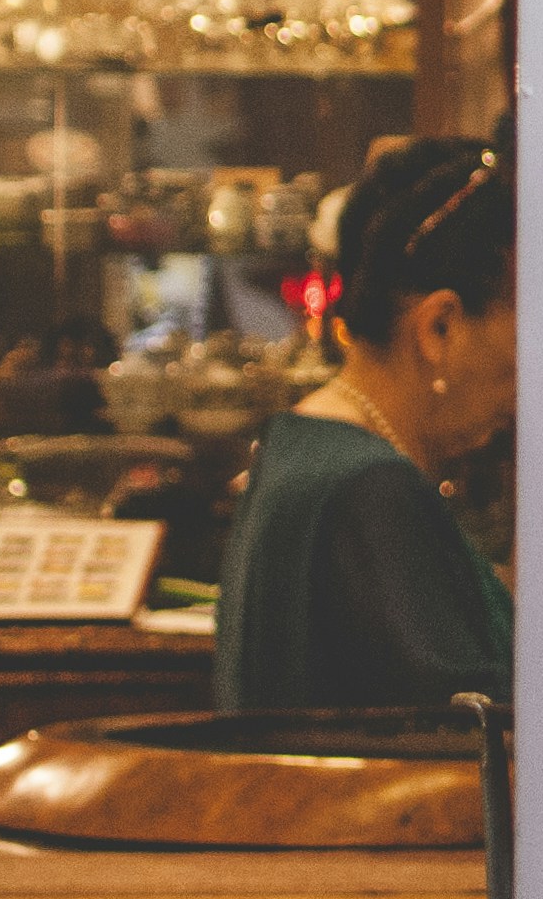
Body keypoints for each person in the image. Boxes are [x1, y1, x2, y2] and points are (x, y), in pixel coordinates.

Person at [216, 137, 515, 709]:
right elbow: (467, 740)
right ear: (440, 329)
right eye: (528, 323)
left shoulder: (305, 444)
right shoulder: (372, 492)